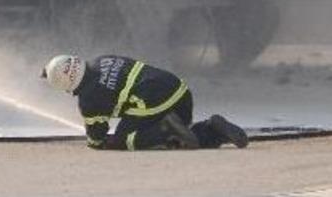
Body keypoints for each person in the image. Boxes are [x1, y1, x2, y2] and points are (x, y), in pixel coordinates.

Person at [41, 53, 249, 151]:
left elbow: (96, 137)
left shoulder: (89, 99)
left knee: (123, 140)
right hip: (180, 92)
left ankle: (166, 130)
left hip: (154, 104)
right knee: (187, 138)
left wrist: (98, 143)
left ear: (65, 85)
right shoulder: (104, 60)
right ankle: (214, 129)